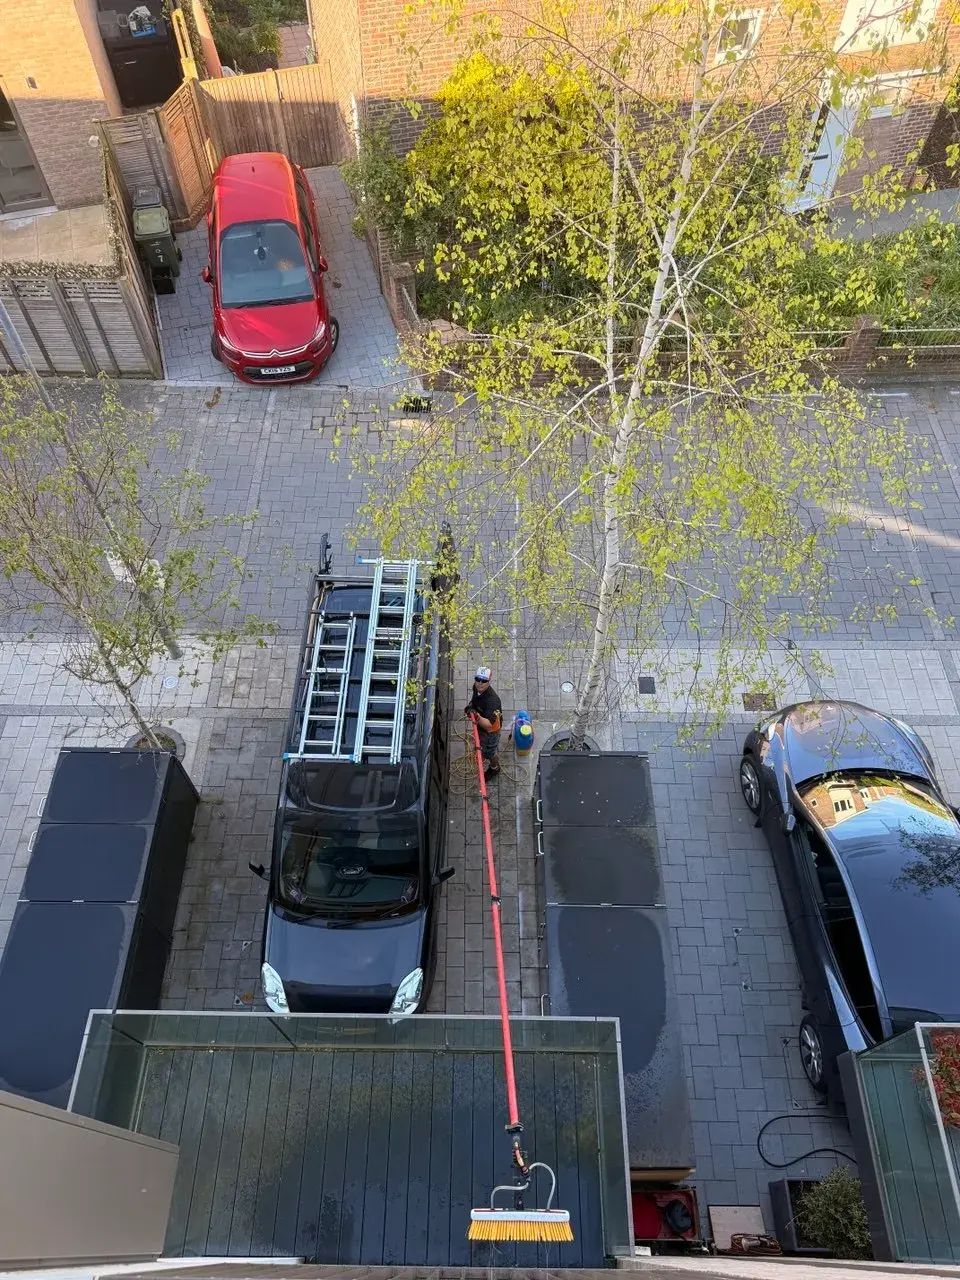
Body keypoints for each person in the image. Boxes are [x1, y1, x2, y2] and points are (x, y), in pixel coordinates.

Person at [464, 665, 503, 776]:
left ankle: (494, 768)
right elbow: (474, 701)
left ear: (489, 681)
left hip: (491, 732)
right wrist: (471, 707)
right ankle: (481, 750)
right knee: (481, 746)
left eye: (484, 680)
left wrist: (476, 717)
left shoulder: (492, 701)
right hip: (482, 725)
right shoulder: (476, 688)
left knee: (490, 752)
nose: (480, 683)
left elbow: (489, 726)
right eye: (478, 679)